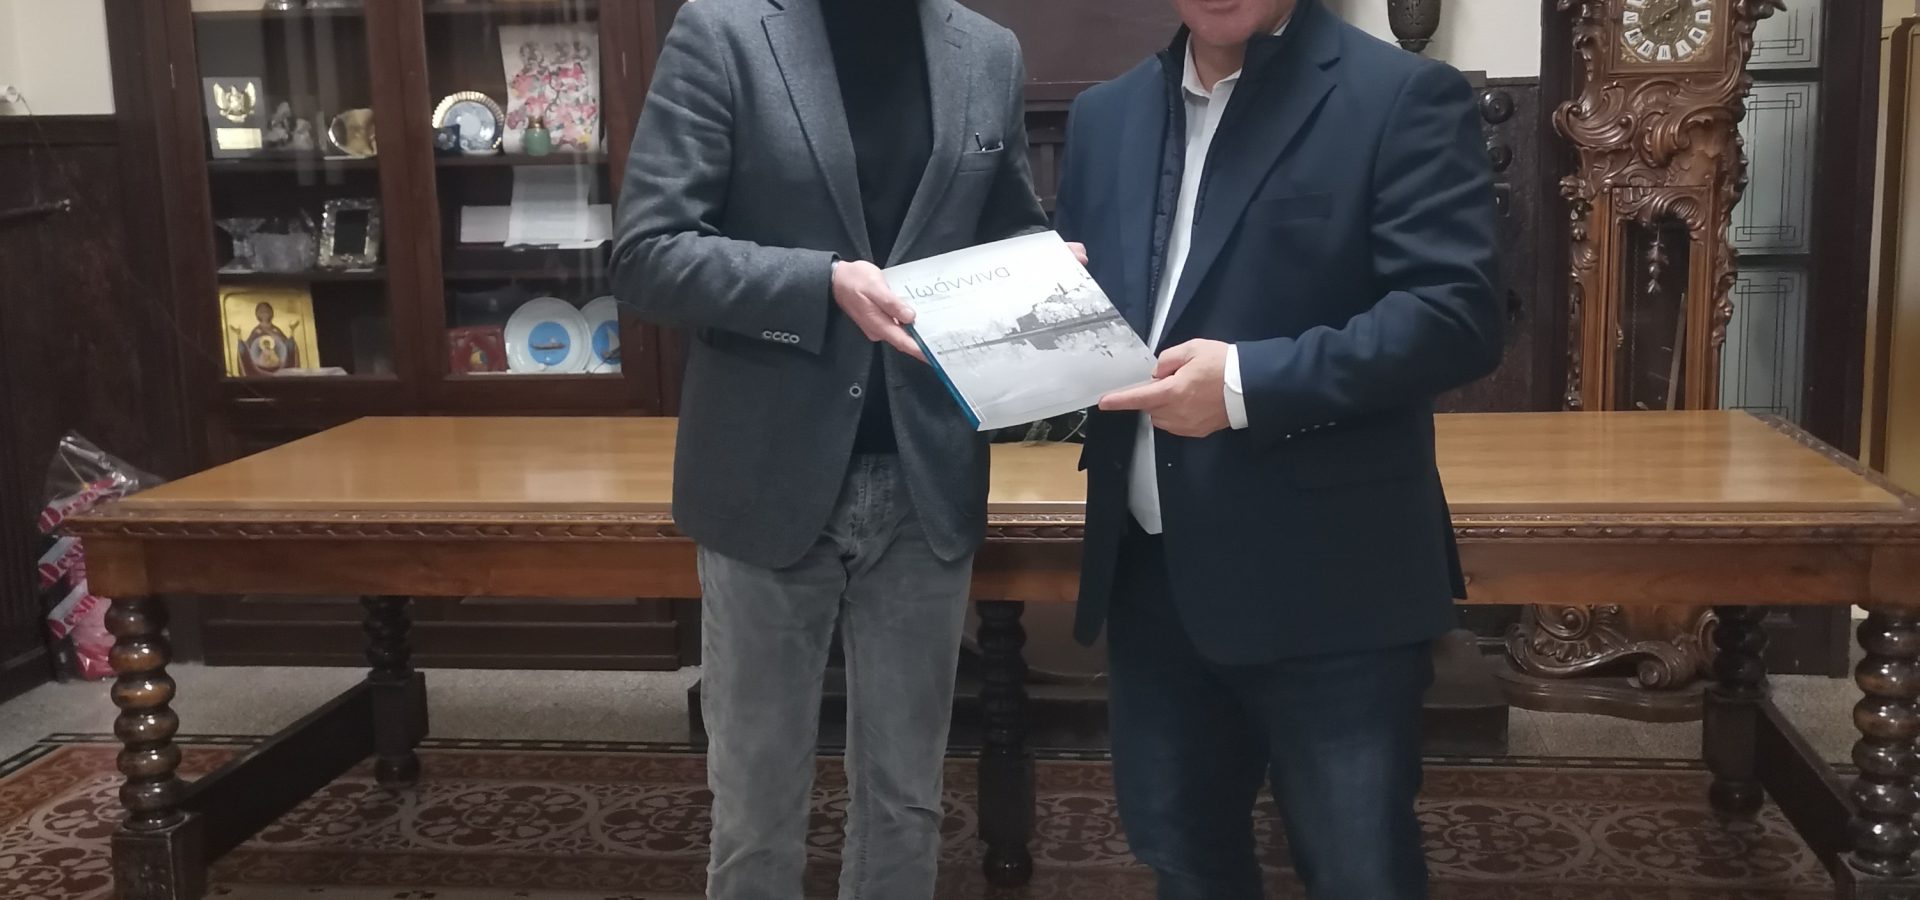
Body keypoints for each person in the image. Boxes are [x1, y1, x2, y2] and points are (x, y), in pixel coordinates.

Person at [1053, 0, 1503, 896]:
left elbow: (1455, 316)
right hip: (1152, 576)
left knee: (1359, 873)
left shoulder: (1402, 95)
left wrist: (1244, 385)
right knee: (1185, 862)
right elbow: (1101, 320)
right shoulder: (1104, 116)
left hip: (1331, 584)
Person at [609, 0, 1049, 898]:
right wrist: (820, 284)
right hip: (764, 476)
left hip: (927, 480)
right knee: (757, 806)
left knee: (907, 801)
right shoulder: (724, 34)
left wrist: (1044, 270)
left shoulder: (987, 51)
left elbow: (1007, 224)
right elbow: (648, 255)